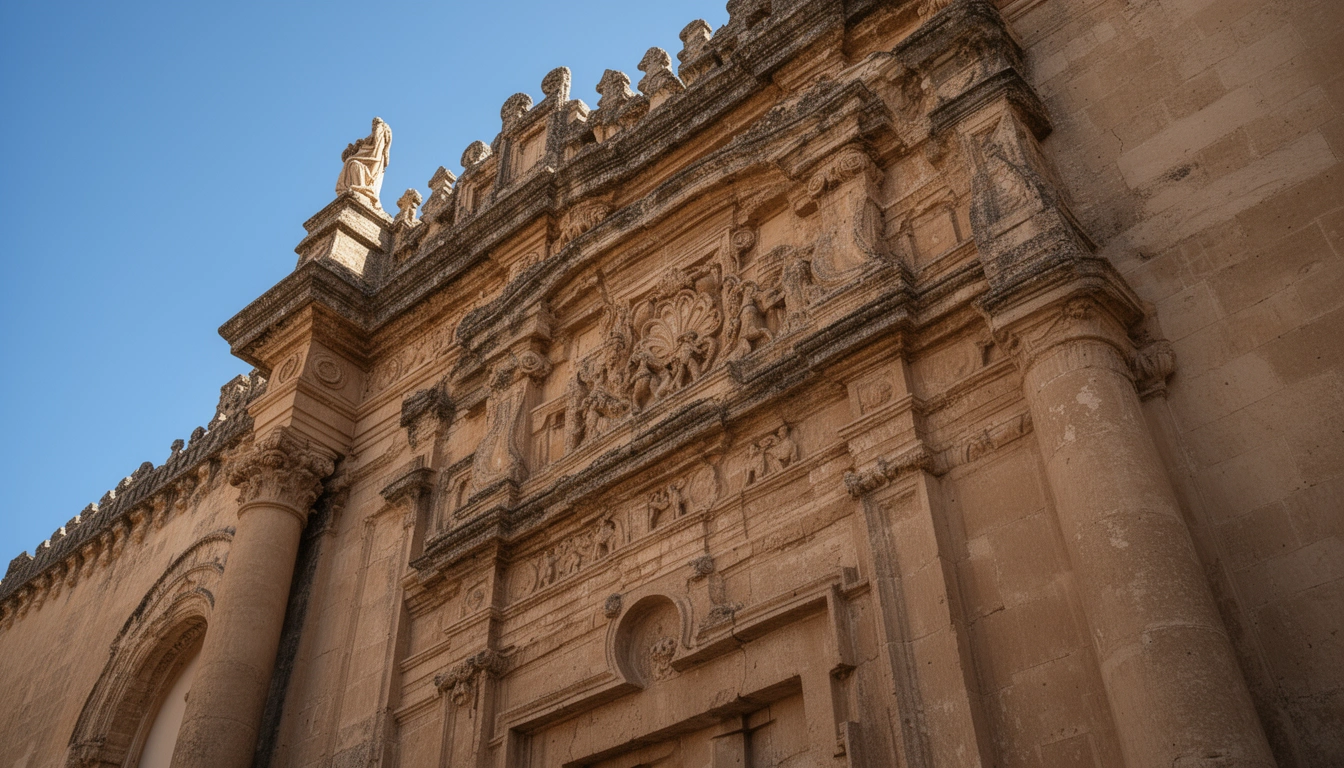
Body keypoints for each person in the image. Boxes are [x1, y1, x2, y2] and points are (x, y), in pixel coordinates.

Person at [336, 117, 392, 208]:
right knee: (353, 163)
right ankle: (361, 187)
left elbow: (377, 142)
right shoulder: (364, 147)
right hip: (367, 162)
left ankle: (362, 188)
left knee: (353, 163)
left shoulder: (381, 131)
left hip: (372, 163)